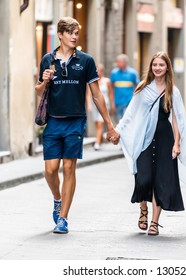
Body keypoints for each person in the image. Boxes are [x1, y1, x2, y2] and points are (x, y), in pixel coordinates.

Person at [35, 17, 119, 234]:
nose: (74, 36)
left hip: (75, 121)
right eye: (70, 33)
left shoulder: (86, 61)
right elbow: (38, 90)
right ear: (61, 34)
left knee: (69, 167)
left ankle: (63, 218)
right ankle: (57, 198)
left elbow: (97, 95)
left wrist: (109, 125)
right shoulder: (48, 59)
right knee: (50, 170)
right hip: (53, 121)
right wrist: (44, 80)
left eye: (76, 33)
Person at [116, 51, 186, 236]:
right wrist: (118, 131)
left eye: (161, 65)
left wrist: (177, 143)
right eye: (155, 65)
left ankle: (154, 221)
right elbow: (130, 113)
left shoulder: (172, 91)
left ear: (167, 67)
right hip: (144, 138)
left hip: (164, 138)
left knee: (160, 180)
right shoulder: (143, 88)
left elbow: (177, 119)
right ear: (151, 67)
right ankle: (143, 209)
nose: (158, 68)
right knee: (143, 177)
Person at [87, 64, 115, 151]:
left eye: (99, 71)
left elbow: (111, 94)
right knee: (97, 124)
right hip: (94, 106)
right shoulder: (91, 81)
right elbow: (88, 94)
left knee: (100, 124)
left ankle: (97, 143)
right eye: (96, 71)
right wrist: (89, 105)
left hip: (104, 105)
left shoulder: (107, 81)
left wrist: (112, 104)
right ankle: (100, 140)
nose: (97, 72)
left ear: (102, 71)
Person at [110, 54, 140, 122]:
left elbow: (138, 87)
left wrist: (136, 100)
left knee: (128, 122)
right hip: (118, 103)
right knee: (119, 123)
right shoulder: (114, 73)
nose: (117, 63)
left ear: (125, 62)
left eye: (118, 62)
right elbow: (111, 89)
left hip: (129, 102)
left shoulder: (133, 73)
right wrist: (112, 103)